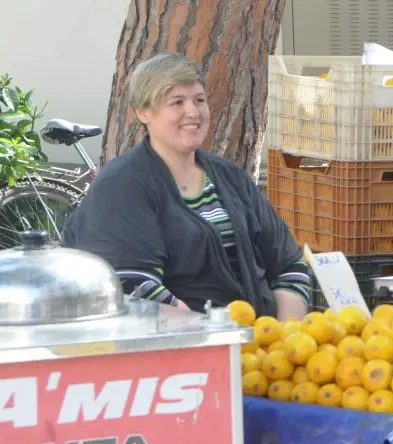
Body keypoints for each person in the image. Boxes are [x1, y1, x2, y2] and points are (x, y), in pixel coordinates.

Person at [63, 53, 310, 321]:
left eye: (199, 100)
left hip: (258, 348)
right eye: (177, 102)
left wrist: (283, 338)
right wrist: (211, 340)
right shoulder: (120, 186)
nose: (192, 112)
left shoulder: (229, 176)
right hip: (180, 351)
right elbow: (134, 286)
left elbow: (289, 266)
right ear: (143, 112)